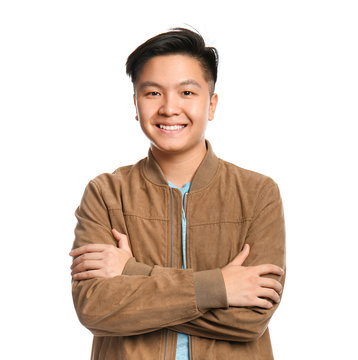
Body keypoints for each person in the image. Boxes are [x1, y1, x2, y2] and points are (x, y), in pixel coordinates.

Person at [70, 28, 286, 360]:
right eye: (153, 93)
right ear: (136, 104)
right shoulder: (105, 193)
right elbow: (95, 308)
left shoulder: (258, 193)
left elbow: (249, 318)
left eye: (187, 92)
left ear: (211, 104)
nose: (170, 108)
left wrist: (132, 273)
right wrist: (220, 288)